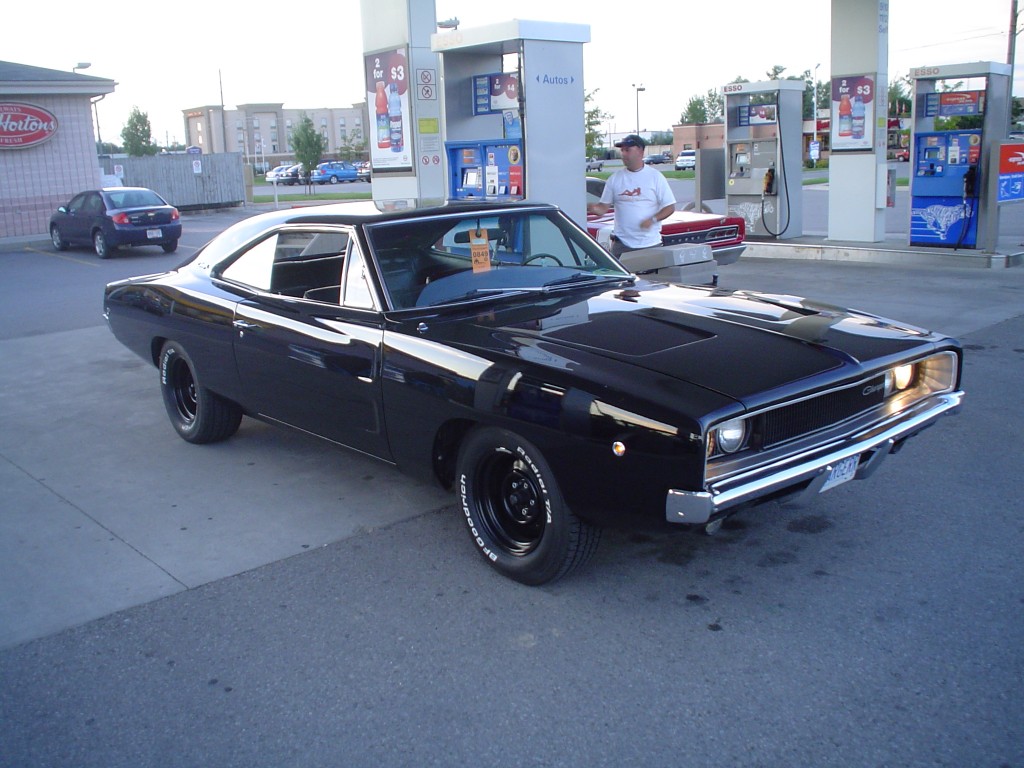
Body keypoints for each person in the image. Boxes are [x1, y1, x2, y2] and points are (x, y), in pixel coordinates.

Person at [587, 134, 677, 258]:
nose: (623, 154)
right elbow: (602, 208)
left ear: (640, 151)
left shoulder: (655, 177)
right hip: (621, 245)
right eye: (622, 150)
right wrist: (591, 207)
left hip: (650, 244)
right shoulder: (615, 179)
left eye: (627, 150)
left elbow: (670, 207)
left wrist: (652, 220)